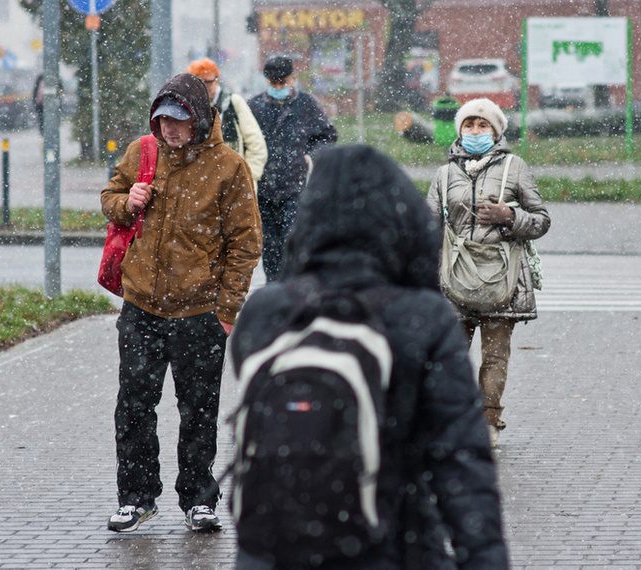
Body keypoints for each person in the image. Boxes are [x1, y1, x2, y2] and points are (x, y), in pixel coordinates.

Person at [230, 144, 508, 568]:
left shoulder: (265, 311)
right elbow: (461, 464)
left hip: (272, 550)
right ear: (399, 219)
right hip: (385, 543)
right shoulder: (421, 316)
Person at [100, 73, 262, 533]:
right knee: (133, 405)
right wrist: (124, 202)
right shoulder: (142, 152)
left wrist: (227, 311)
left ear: (200, 118)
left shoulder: (228, 167)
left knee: (198, 408)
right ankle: (135, 498)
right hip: (142, 308)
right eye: (161, 119)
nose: (168, 128)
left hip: (199, 313)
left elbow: (245, 244)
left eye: (178, 120)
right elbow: (109, 197)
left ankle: (198, 499)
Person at [426, 97, 550, 448]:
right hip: (453, 278)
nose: (475, 131)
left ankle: (488, 422)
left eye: (483, 126)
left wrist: (509, 218)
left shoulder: (516, 167)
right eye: (469, 125)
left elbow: (541, 220)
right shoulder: (445, 174)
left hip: (502, 279)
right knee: (449, 357)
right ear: (459, 130)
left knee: (495, 356)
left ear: (496, 131)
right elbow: (428, 225)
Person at [248, 55, 337, 282]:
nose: (278, 88)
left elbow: (327, 136)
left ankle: (292, 283)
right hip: (263, 188)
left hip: (294, 185)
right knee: (268, 242)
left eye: (283, 83)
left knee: (293, 237)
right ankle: (273, 285)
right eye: (273, 84)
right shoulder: (255, 107)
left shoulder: (307, 105)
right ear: (266, 81)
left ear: (293, 79)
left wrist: (310, 156)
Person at [185, 57, 267, 189]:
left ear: (217, 80)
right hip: (201, 184)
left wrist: (250, 175)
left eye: (209, 82)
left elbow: (256, 143)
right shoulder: (190, 108)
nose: (205, 87)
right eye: (200, 83)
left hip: (235, 181)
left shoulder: (233, 102)